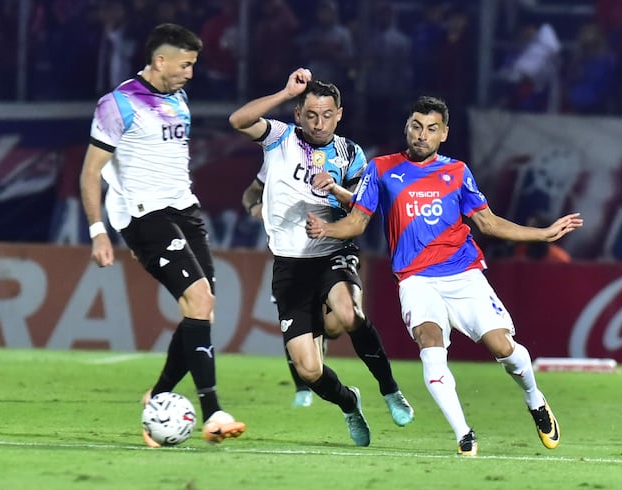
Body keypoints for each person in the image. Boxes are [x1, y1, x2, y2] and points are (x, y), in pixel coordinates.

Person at [305, 96, 583, 456]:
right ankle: (464, 434)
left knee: (504, 349)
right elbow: (358, 221)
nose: (422, 135)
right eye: (416, 126)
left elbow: (488, 222)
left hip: (464, 275)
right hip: (416, 280)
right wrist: (326, 231)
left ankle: (535, 399)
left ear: (444, 134)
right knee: (431, 348)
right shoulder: (382, 169)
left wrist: (543, 233)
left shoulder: (457, 172)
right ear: (407, 127)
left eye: (431, 128)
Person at [79, 23, 245, 447]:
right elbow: (90, 173)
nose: (190, 73)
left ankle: (158, 395)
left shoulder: (179, 98)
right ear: (159, 61)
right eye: (185, 64)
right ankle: (213, 413)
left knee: (201, 311)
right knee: (200, 300)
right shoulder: (118, 105)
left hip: (183, 210)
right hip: (143, 214)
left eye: (193, 65)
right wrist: (101, 232)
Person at [228, 68, 414, 446]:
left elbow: (365, 207)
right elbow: (238, 120)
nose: (318, 122)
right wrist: (284, 92)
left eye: (327, 115)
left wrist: (335, 191)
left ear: (339, 114)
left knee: (348, 314)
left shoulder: (351, 154)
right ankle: (349, 403)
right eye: (310, 114)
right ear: (298, 114)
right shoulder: (279, 138)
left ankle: (390, 388)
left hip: (332, 250)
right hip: (290, 264)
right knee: (310, 369)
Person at [242, 169, 332, 408]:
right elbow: (250, 193)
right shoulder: (277, 158)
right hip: (288, 257)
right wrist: (254, 208)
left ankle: (318, 369)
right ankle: (302, 388)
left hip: (329, 253)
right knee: (293, 323)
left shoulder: (337, 156)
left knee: (330, 323)